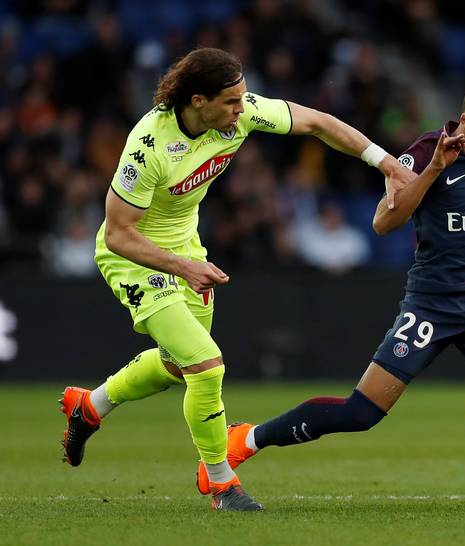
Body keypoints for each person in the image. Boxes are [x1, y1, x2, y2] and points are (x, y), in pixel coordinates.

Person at [194, 82, 465, 493]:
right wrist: (434, 170)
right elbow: (384, 221)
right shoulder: (426, 152)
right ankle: (248, 438)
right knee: (360, 413)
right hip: (432, 307)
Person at [57, 47, 414, 511]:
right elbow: (120, 234)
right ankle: (222, 484)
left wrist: (385, 162)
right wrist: (183, 267)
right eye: (231, 102)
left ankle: (91, 406)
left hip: (186, 246)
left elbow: (320, 123)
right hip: (136, 257)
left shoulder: (238, 114)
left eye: (243, 99)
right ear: (198, 100)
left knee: (175, 365)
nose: (242, 110)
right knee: (206, 364)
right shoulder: (147, 145)